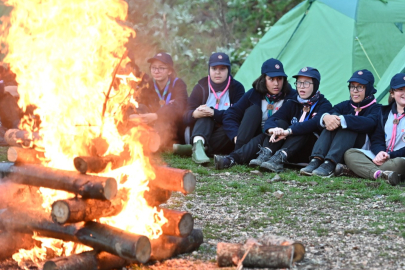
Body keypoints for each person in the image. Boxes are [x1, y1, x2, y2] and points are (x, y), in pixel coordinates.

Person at [215, 67, 332, 171]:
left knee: (303, 128)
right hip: (282, 148)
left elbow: (314, 123)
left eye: (306, 83)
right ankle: (232, 159)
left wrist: (288, 131)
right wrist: (272, 129)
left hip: (305, 150)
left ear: (315, 84)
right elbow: (275, 117)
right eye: (299, 83)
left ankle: (275, 157)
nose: (301, 87)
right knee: (275, 126)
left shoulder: (324, 104)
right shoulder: (293, 102)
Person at [300, 69, 381, 177]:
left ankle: (330, 163)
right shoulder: (345, 105)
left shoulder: (377, 108)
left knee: (348, 125)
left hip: (361, 149)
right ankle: (316, 159)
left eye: (360, 87)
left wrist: (343, 120)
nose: (355, 90)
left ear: (369, 88)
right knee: (331, 122)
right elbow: (330, 112)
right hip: (341, 145)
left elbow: (370, 123)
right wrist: (327, 117)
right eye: (352, 86)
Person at [338, 73, 405, 186]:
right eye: (400, 89)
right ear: (392, 93)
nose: (404, 93)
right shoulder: (383, 112)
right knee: (350, 153)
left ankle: (357, 171)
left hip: (398, 159)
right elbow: (377, 138)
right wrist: (380, 153)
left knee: (399, 164)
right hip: (381, 156)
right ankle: (382, 175)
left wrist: (390, 156)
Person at [182, 52, 245, 164]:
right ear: (209, 69)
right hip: (201, 129)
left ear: (228, 70)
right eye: (214, 68)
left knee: (231, 128)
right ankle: (198, 145)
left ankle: (198, 148)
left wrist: (214, 113)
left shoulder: (237, 88)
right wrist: (194, 114)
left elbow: (239, 116)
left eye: (222, 68)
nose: (217, 72)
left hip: (222, 133)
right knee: (205, 114)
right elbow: (184, 115)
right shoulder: (200, 87)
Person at [222, 58, 296, 153]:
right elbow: (230, 114)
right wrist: (236, 136)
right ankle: (239, 150)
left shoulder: (292, 96)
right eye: (271, 79)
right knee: (253, 111)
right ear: (263, 79)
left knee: (281, 121)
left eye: (280, 79)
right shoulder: (253, 94)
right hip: (253, 135)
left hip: (277, 139)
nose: (276, 83)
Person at [133, 52, 188, 149]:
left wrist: (156, 115)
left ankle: (155, 143)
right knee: (140, 109)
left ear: (169, 71)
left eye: (161, 68)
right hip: (151, 125)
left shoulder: (178, 84)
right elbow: (139, 103)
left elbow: (179, 106)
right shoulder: (147, 84)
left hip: (173, 128)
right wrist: (135, 115)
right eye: (153, 68)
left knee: (168, 118)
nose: (156, 71)